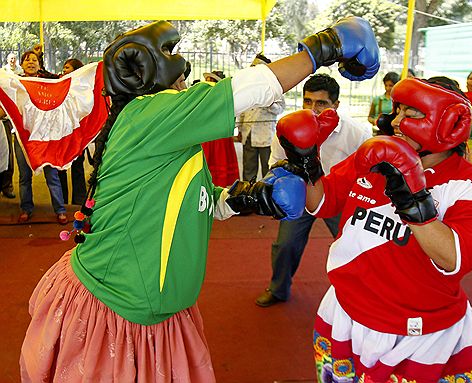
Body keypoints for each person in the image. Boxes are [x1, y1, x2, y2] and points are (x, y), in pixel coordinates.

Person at [19, 18, 380, 381]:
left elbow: (201, 199)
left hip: (154, 310)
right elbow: (250, 88)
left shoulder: (172, 140)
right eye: (172, 63)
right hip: (117, 306)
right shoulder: (148, 115)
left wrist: (251, 198)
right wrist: (325, 46)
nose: (184, 76)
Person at [277, 76, 472, 381]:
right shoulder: (373, 158)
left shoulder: (471, 185)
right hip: (346, 312)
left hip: (418, 332)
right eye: (398, 110)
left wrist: (412, 196)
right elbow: (322, 202)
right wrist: (304, 160)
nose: (398, 121)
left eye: (412, 113)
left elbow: (453, 259)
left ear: (448, 122)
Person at [255, 73, 372, 307]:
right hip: (301, 195)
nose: (313, 108)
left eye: (321, 103)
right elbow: (275, 163)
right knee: (285, 244)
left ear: (336, 105)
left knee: (357, 245)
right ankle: (278, 289)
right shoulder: (288, 128)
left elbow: (367, 174)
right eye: (308, 101)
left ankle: (363, 295)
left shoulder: (357, 133)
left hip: (339, 198)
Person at [3, 50, 68, 224]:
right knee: (24, 176)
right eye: (26, 60)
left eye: (34, 60)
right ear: (21, 64)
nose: (30, 63)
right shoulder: (15, 83)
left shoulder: (47, 82)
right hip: (22, 136)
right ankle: (26, 209)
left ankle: (60, 210)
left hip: (45, 136)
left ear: (39, 64)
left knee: (51, 174)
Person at [236, 53, 285, 181]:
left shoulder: (274, 88)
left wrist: (268, 102)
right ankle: (247, 194)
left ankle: (267, 195)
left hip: (265, 135)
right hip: (248, 133)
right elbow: (242, 110)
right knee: (248, 168)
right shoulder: (247, 87)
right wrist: (240, 130)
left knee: (267, 168)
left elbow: (280, 108)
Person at [201, 70, 240, 187]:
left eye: (210, 80)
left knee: (219, 161)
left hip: (219, 138)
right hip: (207, 137)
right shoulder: (203, 98)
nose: (207, 82)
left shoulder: (225, 99)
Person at [57, 58, 88, 205]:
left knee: (77, 168)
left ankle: (78, 201)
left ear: (76, 70)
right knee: (60, 168)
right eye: (64, 67)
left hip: (77, 134)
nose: (64, 70)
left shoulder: (83, 87)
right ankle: (61, 200)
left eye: (67, 67)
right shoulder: (58, 84)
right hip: (61, 134)